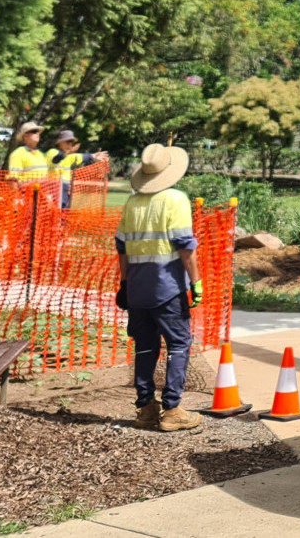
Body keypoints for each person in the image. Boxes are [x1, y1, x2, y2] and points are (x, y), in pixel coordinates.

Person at [115, 143, 203, 431]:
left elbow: (122, 248)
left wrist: (125, 283)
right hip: (167, 287)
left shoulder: (132, 202)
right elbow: (185, 247)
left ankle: (145, 408)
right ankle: (173, 409)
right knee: (179, 344)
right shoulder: (175, 199)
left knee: (145, 346)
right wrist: (196, 282)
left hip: (138, 289)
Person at [49, 130, 108, 210]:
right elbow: (55, 159)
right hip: (54, 189)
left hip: (65, 190)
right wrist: (67, 153)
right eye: (68, 141)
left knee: (64, 214)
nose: (70, 144)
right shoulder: (52, 152)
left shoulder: (69, 156)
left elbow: (80, 156)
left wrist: (93, 156)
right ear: (60, 142)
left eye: (72, 142)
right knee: (56, 215)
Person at [6, 121, 52, 185]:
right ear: (25, 136)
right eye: (34, 131)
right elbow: (13, 180)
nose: (37, 134)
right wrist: (16, 195)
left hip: (42, 193)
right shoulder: (18, 154)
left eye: (38, 132)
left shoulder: (40, 154)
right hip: (26, 194)